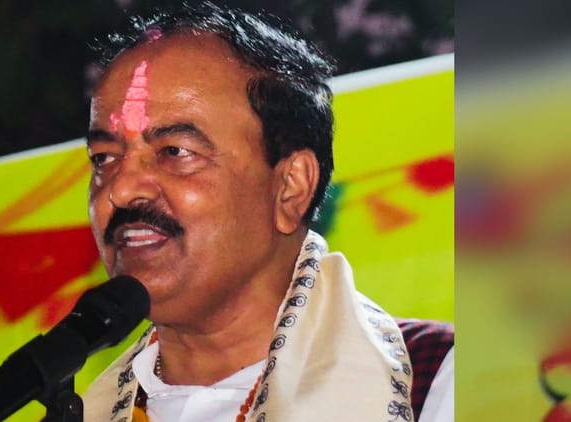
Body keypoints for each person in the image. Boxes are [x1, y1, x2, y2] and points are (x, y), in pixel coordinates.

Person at [82, 2, 453, 421]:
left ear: (291, 188)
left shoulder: (438, 384)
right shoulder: (79, 411)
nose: (120, 189)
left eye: (175, 151)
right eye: (104, 158)